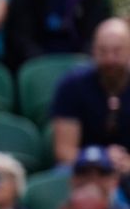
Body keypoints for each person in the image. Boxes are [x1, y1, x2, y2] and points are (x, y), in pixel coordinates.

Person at [50, 19, 130, 165]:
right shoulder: (72, 85)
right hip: (84, 170)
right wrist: (102, 159)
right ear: (93, 50)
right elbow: (64, 151)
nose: (110, 59)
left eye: (117, 51)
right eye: (103, 51)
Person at [40, 146, 130, 209]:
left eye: (102, 173)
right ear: (72, 180)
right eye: (84, 173)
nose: (92, 179)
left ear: (114, 181)